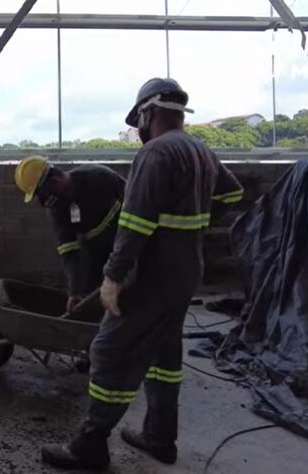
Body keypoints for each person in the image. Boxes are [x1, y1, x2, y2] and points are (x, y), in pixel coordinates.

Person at [41, 78, 244, 470]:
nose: (139, 131)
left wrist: (113, 277)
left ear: (149, 113)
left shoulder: (155, 154)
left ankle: (90, 445)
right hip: (186, 274)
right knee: (164, 353)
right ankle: (159, 438)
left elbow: (133, 225)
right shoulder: (200, 149)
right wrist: (191, 226)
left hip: (149, 276)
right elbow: (233, 194)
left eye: (140, 122)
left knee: (108, 350)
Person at [15, 157, 125, 314]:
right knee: (95, 304)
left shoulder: (100, 176)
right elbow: (69, 251)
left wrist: (131, 251)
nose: (44, 201)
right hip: (94, 255)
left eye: (42, 194)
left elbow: (137, 204)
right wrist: (75, 292)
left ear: (55, 180)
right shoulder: (57, 209)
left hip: (125, 245)